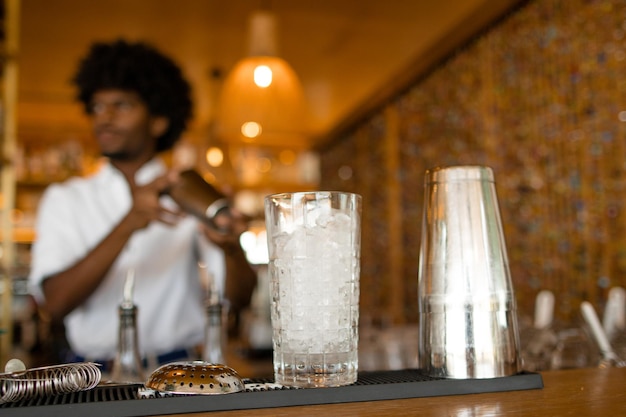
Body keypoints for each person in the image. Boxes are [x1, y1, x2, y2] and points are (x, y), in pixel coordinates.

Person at [28, 39, 257, 368]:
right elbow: (55, 304)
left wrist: (231, 248)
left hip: (180, 374)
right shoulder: (65, 199)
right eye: (96, 107)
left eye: (121, 105)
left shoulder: (190, 194)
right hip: (92, 378)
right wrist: (130, 221)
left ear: (159, 121)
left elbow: (240, 300)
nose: (104, 117)